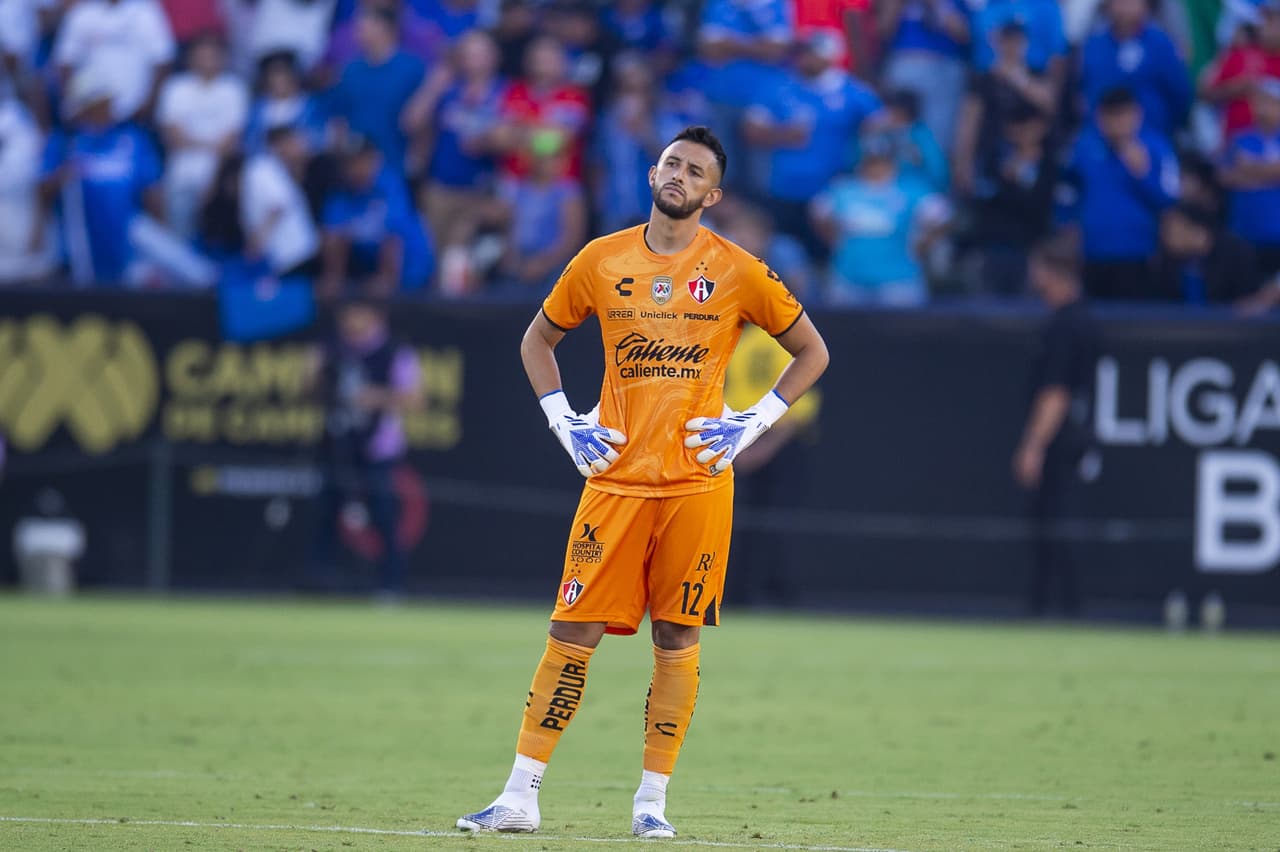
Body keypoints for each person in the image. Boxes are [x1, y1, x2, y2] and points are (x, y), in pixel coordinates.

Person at [456, 125, 829, 838]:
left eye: (695, 171)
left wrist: (751, 422)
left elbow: (812, 350)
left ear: (712, 194)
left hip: (696, 483)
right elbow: (538, 338)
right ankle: (519, 797)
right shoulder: (601, 259)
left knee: (678, 636)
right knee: (571, 629)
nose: (679, 176)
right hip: (616, 480)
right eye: (671, 164)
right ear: (653, 174)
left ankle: (651, 805)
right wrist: (561, 420)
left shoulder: (739, 268)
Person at [309, 297, 423, 597]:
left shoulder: (395, 351)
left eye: (357, 315)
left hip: (378, 449)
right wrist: (313, 375)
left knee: (385, 517)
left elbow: (414, 399)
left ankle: (391, 586)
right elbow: (310, 390)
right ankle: (322, 582)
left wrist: (375, 397)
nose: (351, 323)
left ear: (374, 317)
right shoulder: (333, 349)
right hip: (336, 445)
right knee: (326, 514)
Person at [1013, 231, 1099, 617]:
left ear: (1053, 271)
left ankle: (1064, 607)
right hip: (1075, 433)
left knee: (1057, 521)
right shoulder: (1079, 318)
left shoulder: (1066, 325)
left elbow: (1056, 391)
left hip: (1061, 438)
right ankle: (1061, 605)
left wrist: (1034, 444)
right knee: (1056, 519)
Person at [1061, 85, 1179, 300]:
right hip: (1092, 253)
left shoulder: (1156, 148)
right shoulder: (1085, 147)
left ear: (1137, 114)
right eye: (1111, 115)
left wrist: (1143, 174)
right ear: (1099, 118)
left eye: (1123, 115)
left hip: (1138, 254)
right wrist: (1067, 224)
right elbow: (1067, 191)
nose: (1117, 123)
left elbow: (1169, 200)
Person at [810, 130, 950, 306]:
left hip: (899, 281)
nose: (876, 167)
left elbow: (943, 216)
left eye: (881, 161)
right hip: (848, 279)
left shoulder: (911, 190)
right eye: (871, 160)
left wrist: (924, 244)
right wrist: (836, 242)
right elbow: (818, 215)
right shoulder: (843, 189)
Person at [157, 33, 248, 238]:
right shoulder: (175, 88)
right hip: (181, 169)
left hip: (221, 169)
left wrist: (196, 144)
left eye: (212, 56)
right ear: (191, 59)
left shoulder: (233, 88)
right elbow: (174, 137)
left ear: (222, 58)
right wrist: (211, 144)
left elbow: (232, 140)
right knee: (178, 225)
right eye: (202, 56)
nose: (207, 61)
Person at [319, 136, 434, 298]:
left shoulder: (390, 185)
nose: (355, 168)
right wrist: (333, 278)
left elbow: (393, 237)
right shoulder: (341, 191)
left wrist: (386, 279)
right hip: (367, 273)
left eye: (361, 161)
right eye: (349, 163)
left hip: (410, 269)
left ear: (375, 159)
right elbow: (333, 234)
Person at [1079, 0, 1191, 139]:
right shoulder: (1094, 46)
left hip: (1154, 140)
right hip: (1100, 144)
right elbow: (1086, 93)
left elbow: (1179, 94)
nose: (1125, 8)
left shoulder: (1161, 44)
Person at [1220, 77, 1280, 278]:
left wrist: (1250, 169)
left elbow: (1244, 169)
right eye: (1260, 101)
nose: (1264, 108)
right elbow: (1225, 176)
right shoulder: (1240, 138)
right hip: (1246, 233)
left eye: (1271, 102)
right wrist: (1270, 174)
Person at [1149, 202, 1261, 305]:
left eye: (1169, 230)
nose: (1163, 237)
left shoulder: (1237, 253)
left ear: (1197, 230)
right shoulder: (1164, 260)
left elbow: (1247, 302)